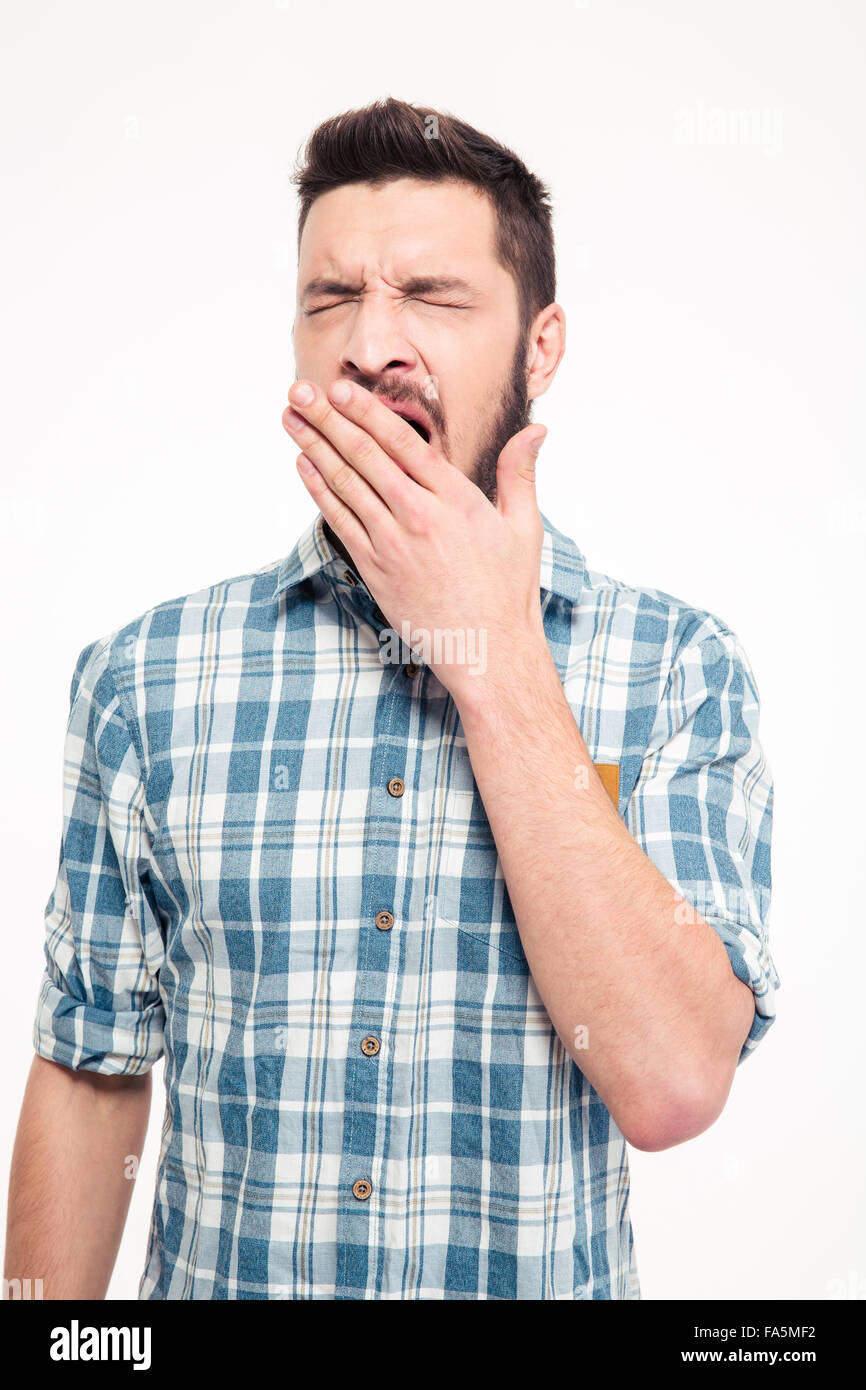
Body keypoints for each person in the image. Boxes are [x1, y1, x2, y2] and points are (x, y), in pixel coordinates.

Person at [5, 97, 779, 1301]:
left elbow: (671, 1080)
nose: (371, 344)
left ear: (540, 347)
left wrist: (491, 656)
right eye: (330, 299)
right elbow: (92, 1069)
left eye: (431, 295)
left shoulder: (674, 669)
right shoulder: (142, 679)